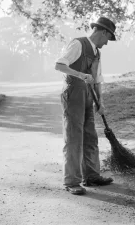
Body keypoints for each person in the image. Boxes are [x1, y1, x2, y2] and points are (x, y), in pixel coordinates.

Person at [55, 16, 117, 195]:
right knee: (74, 138)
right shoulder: (78, 44)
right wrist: (81, 75)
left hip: (89, 97)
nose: (107, 43)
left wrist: (101, 102)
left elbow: (97, 79)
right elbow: (59, 65)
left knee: (90, 137)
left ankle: (91, 176)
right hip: (73, 94)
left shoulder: (97, 53)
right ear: (103, 32)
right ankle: (71, 181)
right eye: (108, 38)